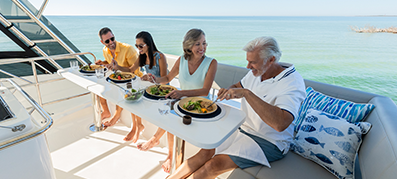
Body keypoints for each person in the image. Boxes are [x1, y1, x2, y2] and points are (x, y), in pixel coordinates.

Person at [167, 36, 306, 179]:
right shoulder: (258, 71)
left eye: (253, 62)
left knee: (213, 165)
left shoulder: (292, 83)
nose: (248, 66)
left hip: (270, 141)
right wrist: (227, 91)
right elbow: (237, 87)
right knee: (205, 152)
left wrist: (247, 94)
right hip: (243, 128)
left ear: (271, 60)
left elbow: (280, 123)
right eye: (248, 61)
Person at [141, 28, 218, 173]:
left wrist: (181, 93)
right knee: (170, 117)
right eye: (197, 44)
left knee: (172, 115)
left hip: (200, 108)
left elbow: (205, 91)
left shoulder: (211, 63)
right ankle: (170, 155)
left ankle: (158, 142)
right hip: (182, 104)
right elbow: (167, 79)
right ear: (189, 45)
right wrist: (154, 78)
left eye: (204, 43)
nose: (202, 48)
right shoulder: (182, 60)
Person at [110, 31, 168, 142]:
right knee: (133, 98)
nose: (138, 48)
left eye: (140, 46)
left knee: (136, 98)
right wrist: (117, 67)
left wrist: (152, 79)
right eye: (137, 46)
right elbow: (131, 69)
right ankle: (137, 127)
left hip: (162, 91)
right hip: (151, 89)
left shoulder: (160, 57)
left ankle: (150, 136)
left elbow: (165, 80)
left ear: (149, 44)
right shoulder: (142, 56)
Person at [95, 27, 143, 127]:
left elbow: (135, 70)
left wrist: (118, 67)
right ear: (102, 42)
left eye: (112, 38)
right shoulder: (105, 50)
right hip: (118, 77)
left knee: (123, 89)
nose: (111, 42)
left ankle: (116, 116)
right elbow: (109, 62)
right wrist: (103, 63)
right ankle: (106, 111)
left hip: (133, 79)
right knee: (98, 85)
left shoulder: (128, 49)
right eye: (107, 41)